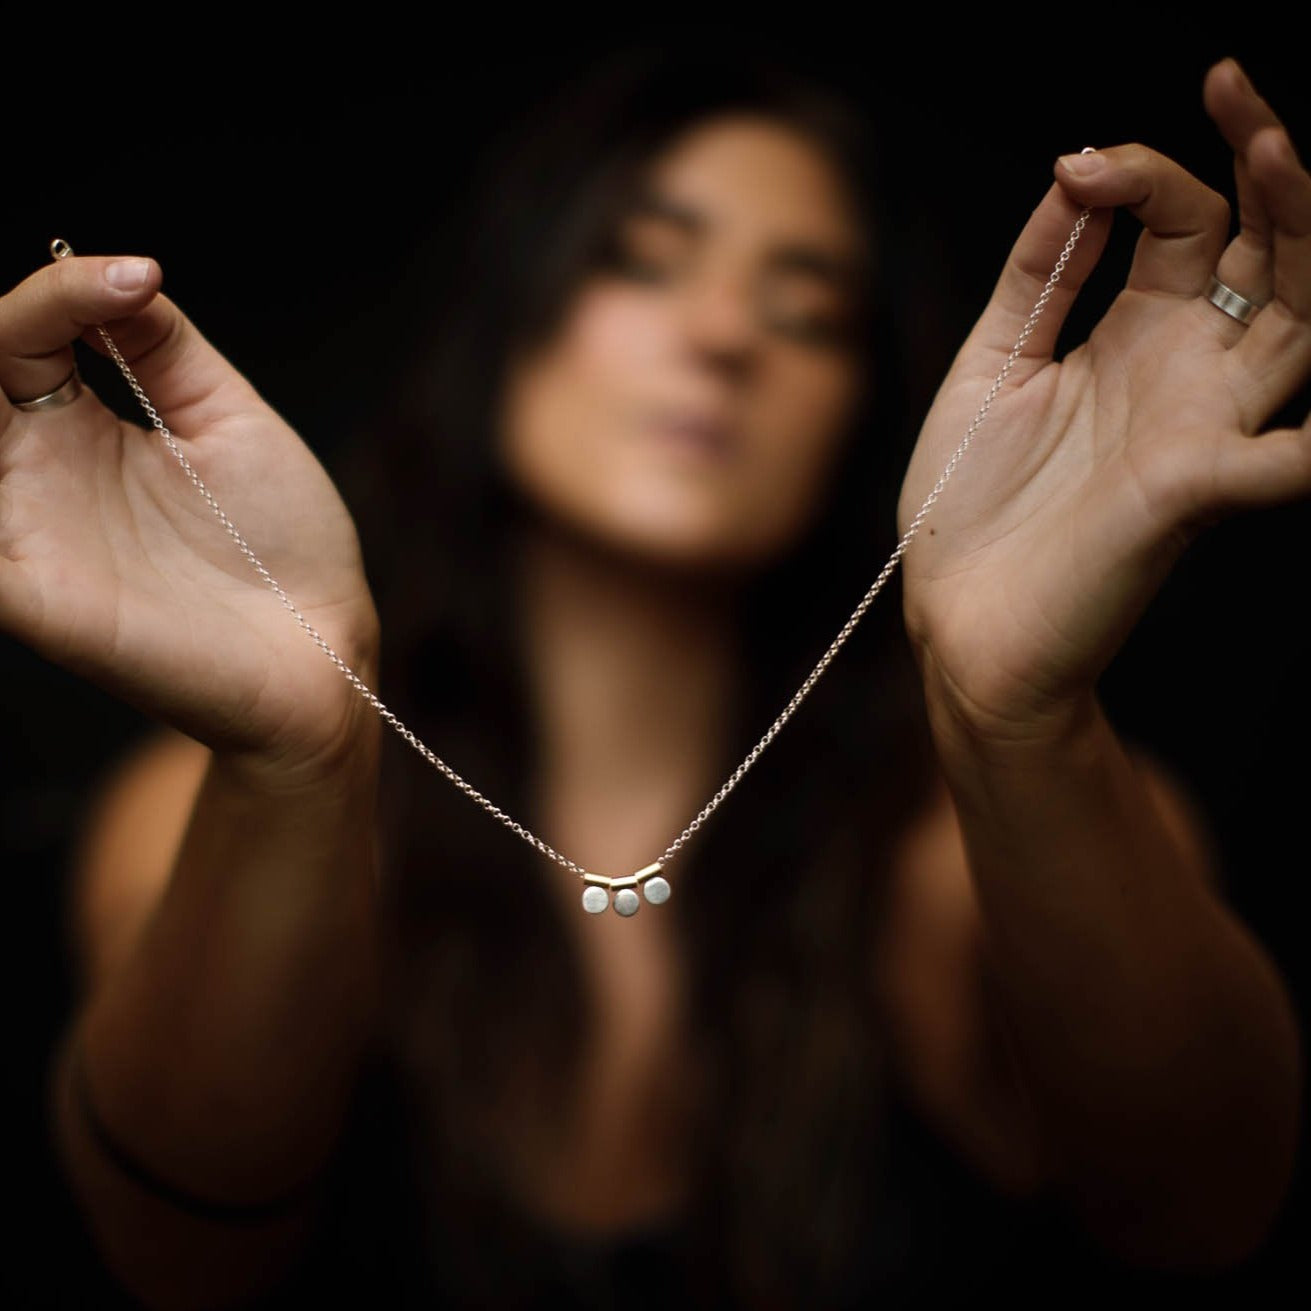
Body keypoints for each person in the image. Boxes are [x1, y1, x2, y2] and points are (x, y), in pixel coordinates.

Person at [2, 45, 1303, 1309]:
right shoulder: (204, 817)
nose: (730, 333)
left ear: (859, 411)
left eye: (810, 307)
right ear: (511, 320)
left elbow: (1205, 1221)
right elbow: (174, 1265)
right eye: (642, 256)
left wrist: (1019, 717)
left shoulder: (971, 838)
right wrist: (294, 754)